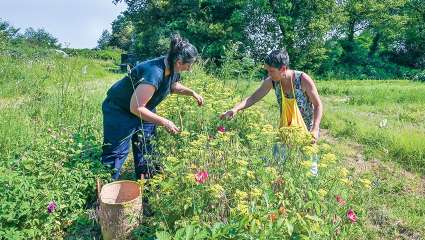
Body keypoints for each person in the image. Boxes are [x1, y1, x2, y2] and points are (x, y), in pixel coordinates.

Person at [101, 34, 204, 180]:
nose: (190, 69)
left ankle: (147, 186)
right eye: (189, 65)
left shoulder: (173, 67)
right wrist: (164, 121)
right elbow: (136, 108)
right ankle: (105, 190)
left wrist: (192, 92)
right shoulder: (154, 72)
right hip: (120, 110)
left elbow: (172, 85)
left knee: (147, 148)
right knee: (116, 153)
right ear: (179, 62)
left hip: (144, 108)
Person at [221, 49, 323, 143]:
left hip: (307, 132)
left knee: (308, 161)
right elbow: (253, 98)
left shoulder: (302, 79)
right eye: (267, 71)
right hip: (286, 130)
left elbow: (318, 105)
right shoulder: (272, 81)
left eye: (272, 71)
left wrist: (315, 129)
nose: (269, 74)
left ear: (283, 69)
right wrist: (235, 109)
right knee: (283, 160)